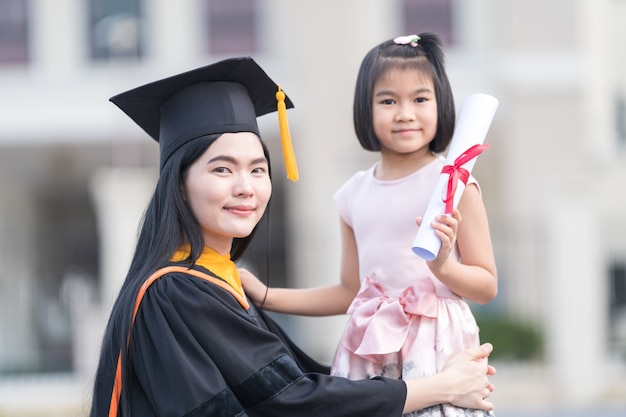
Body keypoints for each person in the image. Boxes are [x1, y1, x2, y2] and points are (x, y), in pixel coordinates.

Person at [89, 56, 496, 417]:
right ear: (179, 185)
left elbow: (297, 382)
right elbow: (291, 398)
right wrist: (437, 388)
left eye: (258, 169)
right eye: (222, 169)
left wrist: (412, 380)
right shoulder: (176, 292)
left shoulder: (215, 283)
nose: (246, 186)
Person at [240, 33, 498, 417]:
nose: (405, 113)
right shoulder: (353, 194)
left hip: (435, 346)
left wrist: (444, 267)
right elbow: (350, 292)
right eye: (388, 100)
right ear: (366, 108)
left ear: (441, 104)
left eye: (420, 99)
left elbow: (486, 285)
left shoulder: (453, 183)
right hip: (369, 343)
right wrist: (265, 295)